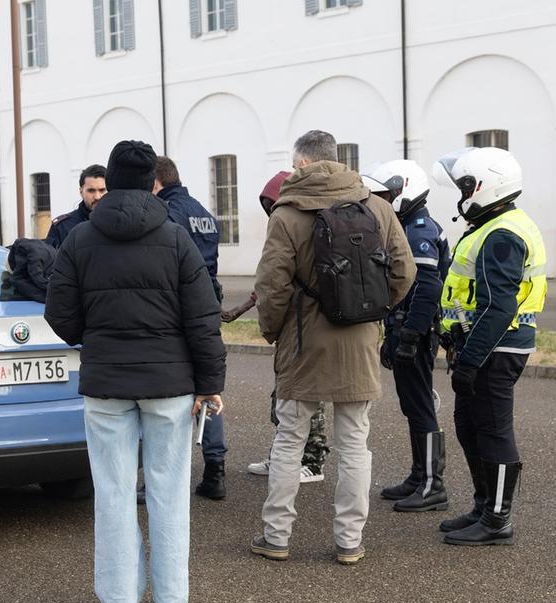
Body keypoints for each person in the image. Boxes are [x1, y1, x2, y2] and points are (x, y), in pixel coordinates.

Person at [45, 140, 226, 603]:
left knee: (112, 491)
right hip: (170, 384)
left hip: (106, 383)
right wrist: (210, 382)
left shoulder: (78, 239)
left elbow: (58, 312)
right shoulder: (175, 238)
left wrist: (94, 338)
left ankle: (120, 601)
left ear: (111, 181)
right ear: (152, 184)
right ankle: (170, 600)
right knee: (169, 492)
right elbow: (203, 317)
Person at [251, 130, 414, 565]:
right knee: (355, 444)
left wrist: (273, 330)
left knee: (290, 441)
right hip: (359, 340)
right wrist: (374, 309)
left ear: (302, 164)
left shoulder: (286, 214)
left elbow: (272, 285)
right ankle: (349, 542)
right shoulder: (377, 206)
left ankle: (277, 536)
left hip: (303, 342)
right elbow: (404, 270)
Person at [433, 147, 546, 546]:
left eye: (464, 186)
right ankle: (484, 504)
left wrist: (470, 361)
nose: (461, 195)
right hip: (482, 346)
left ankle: (498, 519)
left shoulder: (502, 233)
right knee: (469, 425)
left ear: (484, 186)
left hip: (497, 348)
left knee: (494, 429)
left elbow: (499, 306)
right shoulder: (490, 224)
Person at [362, 160, 452, 511]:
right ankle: (420, 475)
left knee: (421, 406)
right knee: (413, 406)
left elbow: (428, 288)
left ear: (404, 190)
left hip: (417, 330)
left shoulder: (418, 230)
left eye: (386, 193)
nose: (381, 200)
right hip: (406, 328)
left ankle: (432, 484)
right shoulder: (409, 226)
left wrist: (411, 334)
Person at [246, 171, 330, 484]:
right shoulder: (291, 223)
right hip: (291, 324)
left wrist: (270, 323)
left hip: (304, 324)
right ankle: (285, 456)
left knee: (307, 396)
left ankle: (312, 460)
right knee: (283, 395)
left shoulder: (303, 225)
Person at [152, 156, 229, 500]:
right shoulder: (202, 211)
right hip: (209, 300)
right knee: (208, 386)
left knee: (171, 390)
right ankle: (215, 467)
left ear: (155, 183)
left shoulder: (167, 213)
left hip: (180, 305)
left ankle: (165, 474)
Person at [44, 164, 107, 251]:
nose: (97, 196)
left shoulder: (120, 223)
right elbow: (50, 261)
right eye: (91, 191)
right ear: (81, 191)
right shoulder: (62, 227)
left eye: (102, 190)